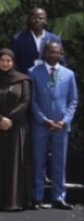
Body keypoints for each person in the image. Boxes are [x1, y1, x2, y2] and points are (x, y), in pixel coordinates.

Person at [27, 40, 77, 210]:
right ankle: (37, 197)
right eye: (50, 52)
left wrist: (65, 121)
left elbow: (73, 101)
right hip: (40, 125)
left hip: (61, 126)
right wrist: (43, 119)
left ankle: (58, 197)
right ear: (44, 53)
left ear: (61, 54)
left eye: (56, 52)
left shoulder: (69, 74)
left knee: (59, 162)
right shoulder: (33, 72)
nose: (53, 55)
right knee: (38, 162)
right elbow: (31, 100)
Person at [0, 47, 31, 211]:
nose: (5, 63)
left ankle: (13, 202)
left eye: (8, 60)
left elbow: (25, 102)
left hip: (16, 128)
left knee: (13, 164)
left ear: (13, 62)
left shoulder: (23, 80)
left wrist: (10, 118)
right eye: (2, 60)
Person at [10, 8, 61, 80]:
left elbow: (61, 61)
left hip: (48, 80)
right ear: (29, 20)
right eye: (34, 18)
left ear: (46, 20)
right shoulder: (18, 39)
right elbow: (14, 62)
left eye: (41, 18)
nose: (37, 20)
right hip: (26, 80)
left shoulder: (55, 39)